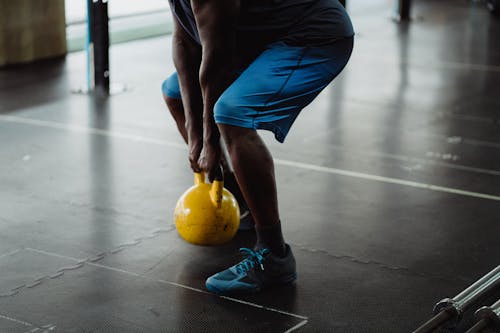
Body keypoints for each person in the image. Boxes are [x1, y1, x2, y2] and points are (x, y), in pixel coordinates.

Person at [162, 0, 354, 295]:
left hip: (313, 37)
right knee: (175, 92)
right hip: (258, 42)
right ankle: (243, 206)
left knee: (231, 112)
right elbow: (183, 41)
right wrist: (193, 130)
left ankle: (274, 256)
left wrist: (210, 140)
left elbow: (217, 60)